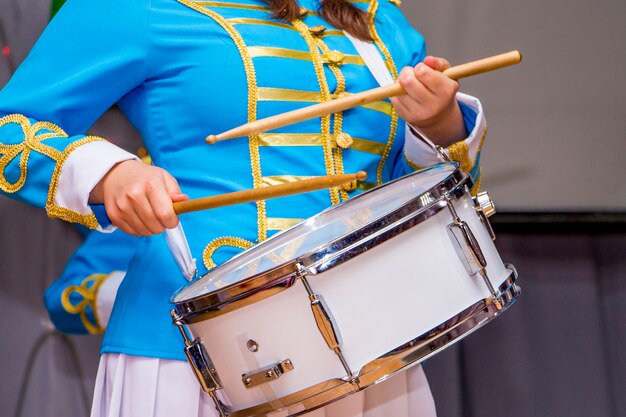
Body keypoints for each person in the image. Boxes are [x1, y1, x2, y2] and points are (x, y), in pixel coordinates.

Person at [0, 0, 486, 415]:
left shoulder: (379, 21)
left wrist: (442, 127)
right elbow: (9, 130)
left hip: (376, 348)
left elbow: (416, 199)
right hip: (191, 355)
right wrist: (107, 174)